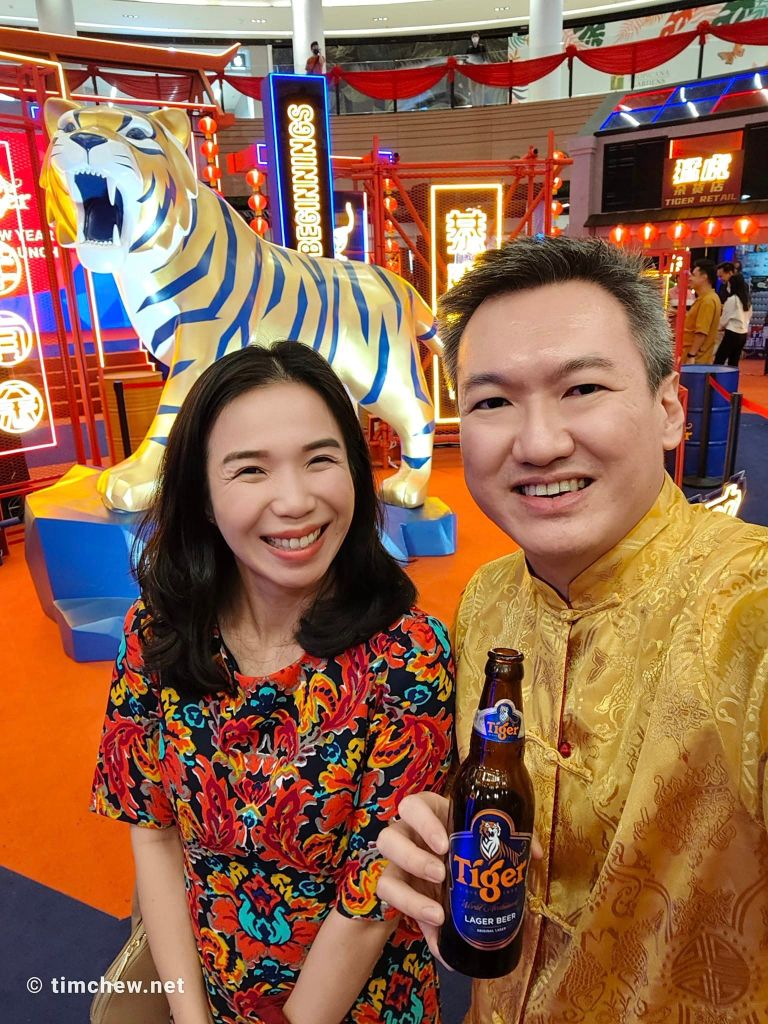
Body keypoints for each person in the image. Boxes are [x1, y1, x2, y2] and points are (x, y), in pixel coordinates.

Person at [377, 236, 768, 1023]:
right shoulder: (487, 599)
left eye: (582, 388)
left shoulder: (749, 607)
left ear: (669, 410)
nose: (539, 443)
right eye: (492, 402)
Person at [91, 342, 455, 1024]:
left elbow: (372, 896)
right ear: (203, 497)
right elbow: (154, 832)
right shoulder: (157, 632)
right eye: (251, 469)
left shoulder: (409, 654)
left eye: (320, 459)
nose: (295, 501)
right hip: (210, 994)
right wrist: (191, 1017)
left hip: (362, 1005)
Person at [681, 256, 721, 363]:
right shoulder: (706, 298)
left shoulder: (707, 301)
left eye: (693, 275)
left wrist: (691, 355)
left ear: (704, 277)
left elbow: (701, 332)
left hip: (696, 360)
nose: (690, 278)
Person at [715, 270, 752, 366]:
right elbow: (749, 316)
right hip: (743, 333)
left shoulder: (732, 299)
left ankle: (715, 376)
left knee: (719, 359)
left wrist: (718, 328)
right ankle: (732, 376)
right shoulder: (747, 300)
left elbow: (724, 319)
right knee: (734, 361)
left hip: (732, 332)